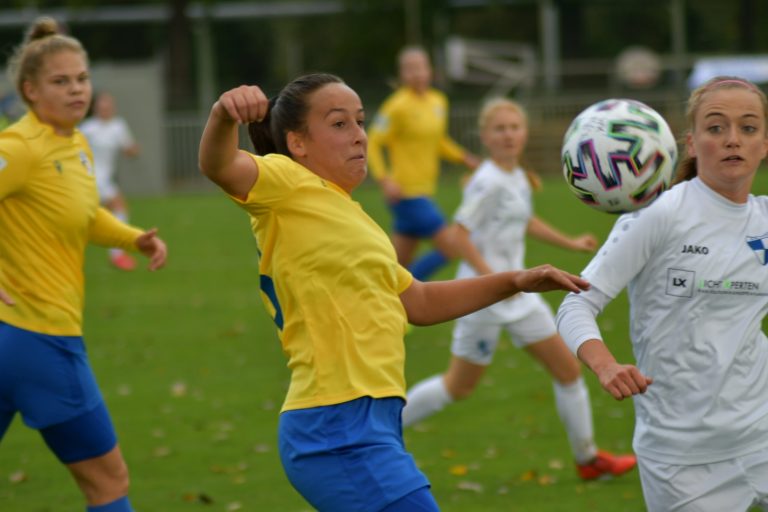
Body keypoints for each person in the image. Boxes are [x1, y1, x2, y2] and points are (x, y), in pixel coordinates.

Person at [198, 74, 590, 512]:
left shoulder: (355, 217)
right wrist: (223, 115)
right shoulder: (285, 182)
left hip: (370, 421)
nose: (360, 136)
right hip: (337, 425)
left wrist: (514, 280)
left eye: (361, 122)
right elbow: (220, 166)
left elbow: (417, 302)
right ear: (297, 143)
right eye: (339, 124)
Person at [556, 76, 768, 511]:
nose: (733, 140)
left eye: (748, 128)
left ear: (764, 144)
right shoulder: (659, 215)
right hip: (682, 459)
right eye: (716, 127)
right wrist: (606, 365)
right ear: (690, 144)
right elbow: (576, 303)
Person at [401, 97, 637, 480]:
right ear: (485, 137)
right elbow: (459, 236)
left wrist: (570, 242)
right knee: (457, 387)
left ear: (524, 133)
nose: (509, 135)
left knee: (568, 372)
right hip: (483, 299)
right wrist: (494, 279)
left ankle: (588, 459)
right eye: (500, 129)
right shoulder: (486, 180)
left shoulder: (515, 176)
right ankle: (379, 432)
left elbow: (525, 222)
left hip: (520, 295)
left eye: (514, 127)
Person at [0, 17, 167, 512]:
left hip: (18, 339)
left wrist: (133, 238)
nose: (76, 90)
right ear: (29, 90)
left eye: (82, 78)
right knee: (109, 481)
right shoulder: (20, 147)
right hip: (38, 339)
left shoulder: (75, 144)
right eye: (60, 81)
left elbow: (81, 213)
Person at [367, 45, 480, 280]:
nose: (416, 73)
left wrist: (464, 157)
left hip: (425, 191)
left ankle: (384, 291)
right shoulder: (396, 106)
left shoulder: (438, 101)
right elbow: (373, 142)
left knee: (396, 264)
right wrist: (384, 180)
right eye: (409, 69)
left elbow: (439, 141)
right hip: (406, 193)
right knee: (451, 247)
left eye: (420, 67)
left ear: (430, 70)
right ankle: (406, 293)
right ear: (401, 75)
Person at [80, 91, 141, 271]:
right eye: (102, 105)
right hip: (90, 178)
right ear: (96, 108)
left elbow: (127, 148)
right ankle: (117, 254)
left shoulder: (118, 126)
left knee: (114, 210)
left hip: (105, 179)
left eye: (108, 105)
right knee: (116, 209)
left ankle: (116, 254)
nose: (105, 108)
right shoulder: (88, 128)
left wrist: (133, 150)